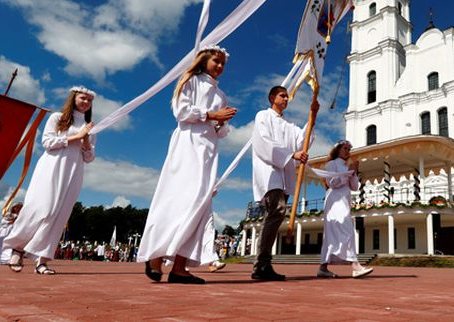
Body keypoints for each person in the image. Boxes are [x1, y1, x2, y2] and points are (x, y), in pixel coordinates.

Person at [137, 45, 236, 285]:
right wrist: (212, 116)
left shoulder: (221, 95)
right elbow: (181, 112)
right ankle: (156, 255)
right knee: (177, 198)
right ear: (204, 60)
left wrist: (222, 124)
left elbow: (221, 132)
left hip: (208, 150)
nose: (220, 66)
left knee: (199, 204)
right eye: (216, 61)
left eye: (223, 63)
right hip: (188, 144)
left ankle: (180, 267)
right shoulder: (190, 80)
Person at [4, 86, 96, 274]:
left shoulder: (91, 127)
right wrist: (76, 136)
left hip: (73, 171)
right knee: (42, 208)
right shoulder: (57, 118)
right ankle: (18, 249)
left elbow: (89, 158)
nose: (86, 102)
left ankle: (43, 260)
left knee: (60, 214)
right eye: (82, 98)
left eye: (89, 100)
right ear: (73, 98)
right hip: (52, 167)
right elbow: (47, 143)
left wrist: (86, 140)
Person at [251, 85, 318, 281]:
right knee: (278, 210)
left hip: (284, 172)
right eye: (282, 95)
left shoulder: (289, 125)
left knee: (275, 214)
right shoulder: (263, 116)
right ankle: (261, 264)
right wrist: (290, 155)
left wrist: (312, 117)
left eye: (287, 96)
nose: (286, 99)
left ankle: (263, 264)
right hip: (269, 171)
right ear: (272, 97)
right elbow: (264, 141)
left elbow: (301, 141)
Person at [316, 140, 373, 279]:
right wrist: (349, 171)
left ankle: (323, 268)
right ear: (337, 150)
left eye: (348, 149)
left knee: (337, 232)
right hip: (334, 201)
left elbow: (354, 187)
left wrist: (353, 172)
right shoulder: (331, 164)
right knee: (345, 230)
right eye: (344, 148)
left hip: (344, 201)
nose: (347, 151)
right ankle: (355, 265)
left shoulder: (346, 166)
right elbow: (333, 183)